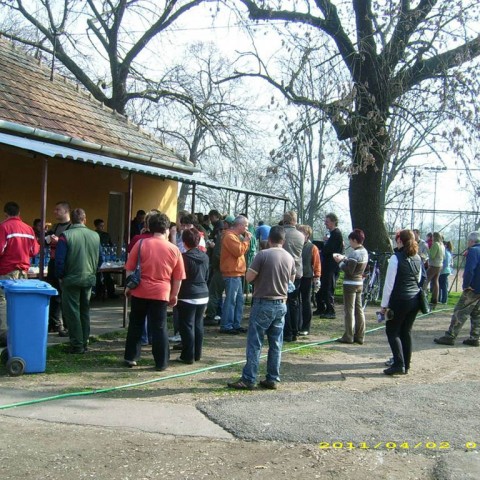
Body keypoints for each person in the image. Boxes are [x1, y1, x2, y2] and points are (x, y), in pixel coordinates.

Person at [227, 226, 296, 390]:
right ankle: (272, 377)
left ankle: (249, 378)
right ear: (283, 241)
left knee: (255, 342)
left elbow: (249, 278)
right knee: (276, 343)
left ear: (269, 239)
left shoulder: (262, 255)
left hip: (263, 302)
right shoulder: (289, 257)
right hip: (281, 303)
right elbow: (291, 282)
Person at [123, 212, 185, 371]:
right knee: (159, 327)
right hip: (161, 292)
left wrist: (130, 286)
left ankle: (131, 357)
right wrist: (174, 295)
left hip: (140, 291)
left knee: (136, 324)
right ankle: (161, 362)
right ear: (166, 229)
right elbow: (178, 277)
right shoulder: (174, 249)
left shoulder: (141, 244)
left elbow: (129, 269)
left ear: (149, 227)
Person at [55, 208, 101, 354]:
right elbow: (101, 259)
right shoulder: (95, 236)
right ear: (85, 219)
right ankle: (85, 341)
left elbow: (59, 260)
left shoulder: (65, 236)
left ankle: (77, 344)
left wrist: (60, 276)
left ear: (72, 220)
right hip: (88, 278)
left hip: (70, 279)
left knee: (72, 312)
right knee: (84, 310)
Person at [380, 229, 422, 375]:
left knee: (392, 330)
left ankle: (399, 363)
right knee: (406, 331)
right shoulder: (417, 257)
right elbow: (419, 278)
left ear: (399, 241)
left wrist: (384, 305)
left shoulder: (396, 258)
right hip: (415, 300)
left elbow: (389, 284)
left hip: (400, 299)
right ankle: (406, 364)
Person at [434, 232, 480, 347]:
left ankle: (450, 336)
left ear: (471, 241)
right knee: (477, 313)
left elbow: (469, 270)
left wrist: (466, 285)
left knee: (459, 311)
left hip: (473, 287)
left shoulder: (474, 251)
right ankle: (475, 337)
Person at [0, 202, 40, 333]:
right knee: (21, 301)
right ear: (19, 212)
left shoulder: (3, 227)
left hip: (6, 270)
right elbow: (34, 251)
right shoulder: (28, 229)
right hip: (23, 271)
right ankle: (20, 330)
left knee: (3, 301)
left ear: (5, 213)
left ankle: (4, 333)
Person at [176, 228, 209, 364]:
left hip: (187, 294)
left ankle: (187, 355)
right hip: (203, 293)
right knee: (198, 324)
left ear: (184, 242)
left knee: (187, 325)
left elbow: (180, 277)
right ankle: (197, 354)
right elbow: (207, 275)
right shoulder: (205, 257)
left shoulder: (184, 258)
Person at [334, 229, 369, 344]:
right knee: (359, 310)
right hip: (359, 283)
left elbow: (349, 271)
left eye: (350, 240)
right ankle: (360, 336)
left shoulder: (355, 253)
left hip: (350, 284)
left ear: (354, 240)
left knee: (349, 310)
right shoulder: (364, 251)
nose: (350, 243)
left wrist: (339, 262)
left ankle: (348, 336)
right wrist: (345, 259)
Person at [219, 215, 251, 334]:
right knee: (231, 300)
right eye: (246, 225)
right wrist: (246, 241)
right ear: (240, 225)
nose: (247, 228)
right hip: (231, 273)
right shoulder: (229, 236)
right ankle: (227, 325)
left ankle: (236, 324)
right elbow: (238, 251)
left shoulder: (236, 237)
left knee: (239, 301)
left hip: (237, 273)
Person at [45, 201, 72, 336]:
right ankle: (55, 324)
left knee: (64, 295)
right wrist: (47, 237)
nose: (55, 212)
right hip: (53, 263)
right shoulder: (54, 227)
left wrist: (60, 241)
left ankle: (67, 326)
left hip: (65, 264)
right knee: (53, 294)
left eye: (58, 210)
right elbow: (44, 241)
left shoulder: (72, 228)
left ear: (66, 211)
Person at [281, 211, 304, 342]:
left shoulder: (282, 233)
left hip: (284, 270)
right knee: (294, 301)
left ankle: (287, 331)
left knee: (285, 301)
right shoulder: (300, 235)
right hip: (297, 270)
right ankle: (295, 330)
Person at [317, 213, 344, 319]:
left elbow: (330, 249)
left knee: (329, 287)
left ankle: (331, 310)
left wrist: (323, 248)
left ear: (333, 222)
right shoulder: (333, 234)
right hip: (328, 264)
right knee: (324, 286)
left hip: (332, 265)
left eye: (327, 221)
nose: (325, 223)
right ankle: (324, 308)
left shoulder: (336, 234)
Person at [296, 224, 321, 336]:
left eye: (303, 233)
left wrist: (317, 277)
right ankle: (296, 325)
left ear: (307, 235)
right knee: (295, 301)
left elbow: (316, 264)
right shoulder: (296, 245)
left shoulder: (312, 247)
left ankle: (306, 327)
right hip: (296, 276)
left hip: (307, 276)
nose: (300, 234)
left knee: (306, 301)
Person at [93, 218, 117, 299]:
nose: (102, 227)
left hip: (105, 257)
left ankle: (111, 293)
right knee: (97, 277)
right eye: (100, 226)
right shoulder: (93, 234)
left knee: (107, 276)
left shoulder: (106, 235)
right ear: (96, 226)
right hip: (96, 257)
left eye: (103, 226)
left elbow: (111, 246)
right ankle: (98, 293)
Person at [423, 232, 445, 307]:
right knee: (435, 282)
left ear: (434, 237)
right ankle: (434, 299)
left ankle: (423, 298)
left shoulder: (436, 244)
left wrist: (426, 248)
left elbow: (432, 255)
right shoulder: (442, 245)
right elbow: (444, 256)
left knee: (425, 281)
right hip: (440, 265)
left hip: (434, 265)